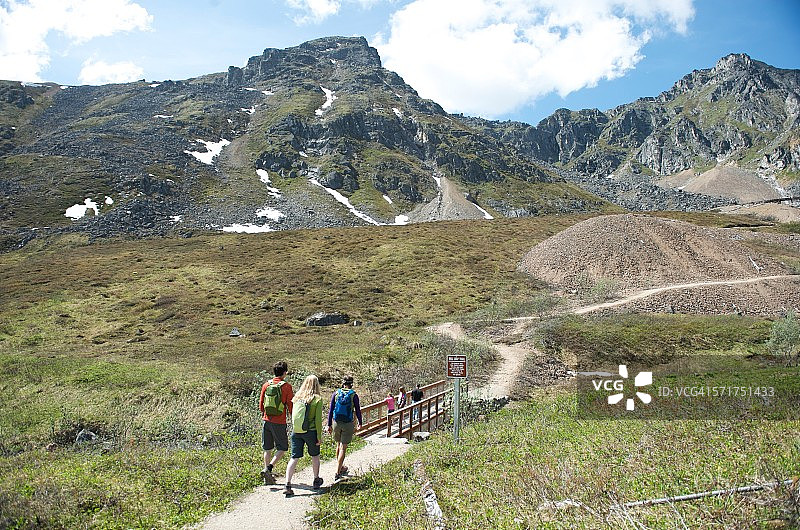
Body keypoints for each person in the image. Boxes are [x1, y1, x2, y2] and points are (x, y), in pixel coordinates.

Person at [283, 374, 324, 496]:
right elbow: (318, 420)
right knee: (315, 455)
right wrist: (319, 436)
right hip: (310, 431)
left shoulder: (297, 397)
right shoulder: (317, 399)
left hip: (296, 431)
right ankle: (316, 480)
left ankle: (287, 484)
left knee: (294, 457)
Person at [258, 361, 293, 485]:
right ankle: (269, 468)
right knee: (282, 448)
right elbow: (290, 405)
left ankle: (267, 477)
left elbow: (261, 404)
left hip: (266, 420)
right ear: (285, 373)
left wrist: (265, 414)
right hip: (279, 421)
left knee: (267, 448)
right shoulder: (286, 386)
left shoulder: (266, 385)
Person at [326, 375, 363, 480]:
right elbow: (358, 411)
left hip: (336, 422)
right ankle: (337, 472)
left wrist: (329, 424)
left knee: (338, 445)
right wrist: (360, 423)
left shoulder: (336, 393)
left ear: (343, 383)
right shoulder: (353, 395)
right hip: (348, 423)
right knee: (343, 447)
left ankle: (341, 467)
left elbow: (331, 410)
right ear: (351, 384)